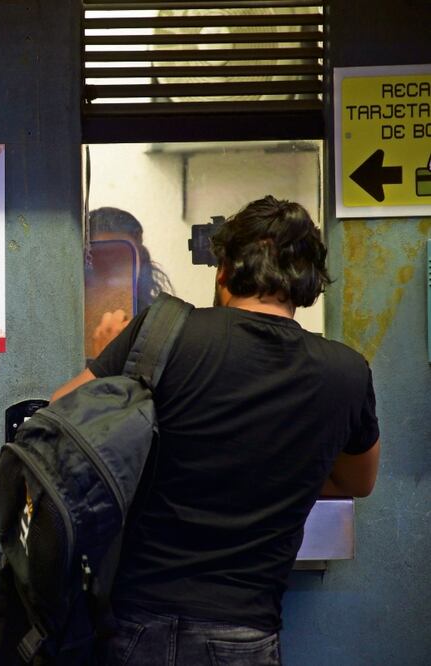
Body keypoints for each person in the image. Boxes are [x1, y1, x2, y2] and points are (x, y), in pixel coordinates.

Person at [54, 196, 380, 665]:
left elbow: (61, 418)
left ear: (223, 269)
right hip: (243, 631)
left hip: (133, 622)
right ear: (309, 283)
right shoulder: (345, 372)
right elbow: (358, 482)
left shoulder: (165, 334)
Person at [85, 207, 173, 359]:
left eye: (120, 260)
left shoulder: (156, 322)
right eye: (97, 259)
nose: (109, 272)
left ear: (140, 260)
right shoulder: (69, 317)